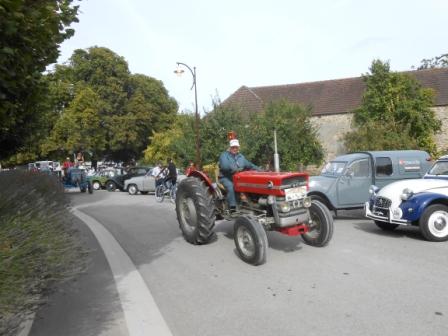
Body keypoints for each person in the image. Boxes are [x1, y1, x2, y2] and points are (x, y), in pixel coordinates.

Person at [219, 138, 260, 211]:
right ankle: (232, 208)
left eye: (236, 147)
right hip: (226, 177)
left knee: (250, 184)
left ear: (238, 148)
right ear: (230, 147)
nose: (235, 149)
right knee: (231, 186)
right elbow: (224, 166)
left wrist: (260, 170)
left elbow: (249, 165)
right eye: (233, 147)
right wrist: (235, 169)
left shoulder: (241, 157)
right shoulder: (224, 155)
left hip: (238, 178)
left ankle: (250, 203)